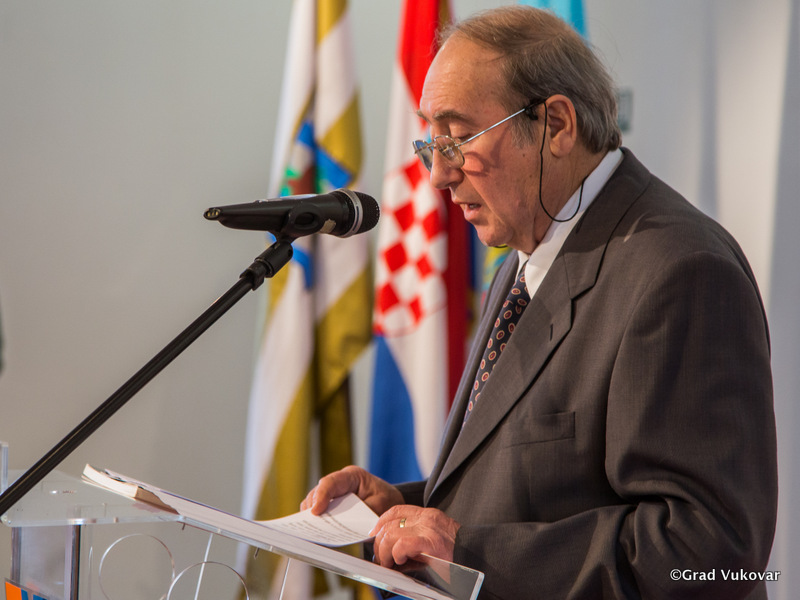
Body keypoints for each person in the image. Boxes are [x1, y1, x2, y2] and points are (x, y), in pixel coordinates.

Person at [302, 6, 777, 599]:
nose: (438, 175)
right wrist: (405, 509)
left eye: (458, 138)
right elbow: (544, 492)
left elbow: (712, 548)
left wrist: (467, 551)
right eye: (431, 142)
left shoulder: (681, 271)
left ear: (555, 125)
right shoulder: (523, 259)